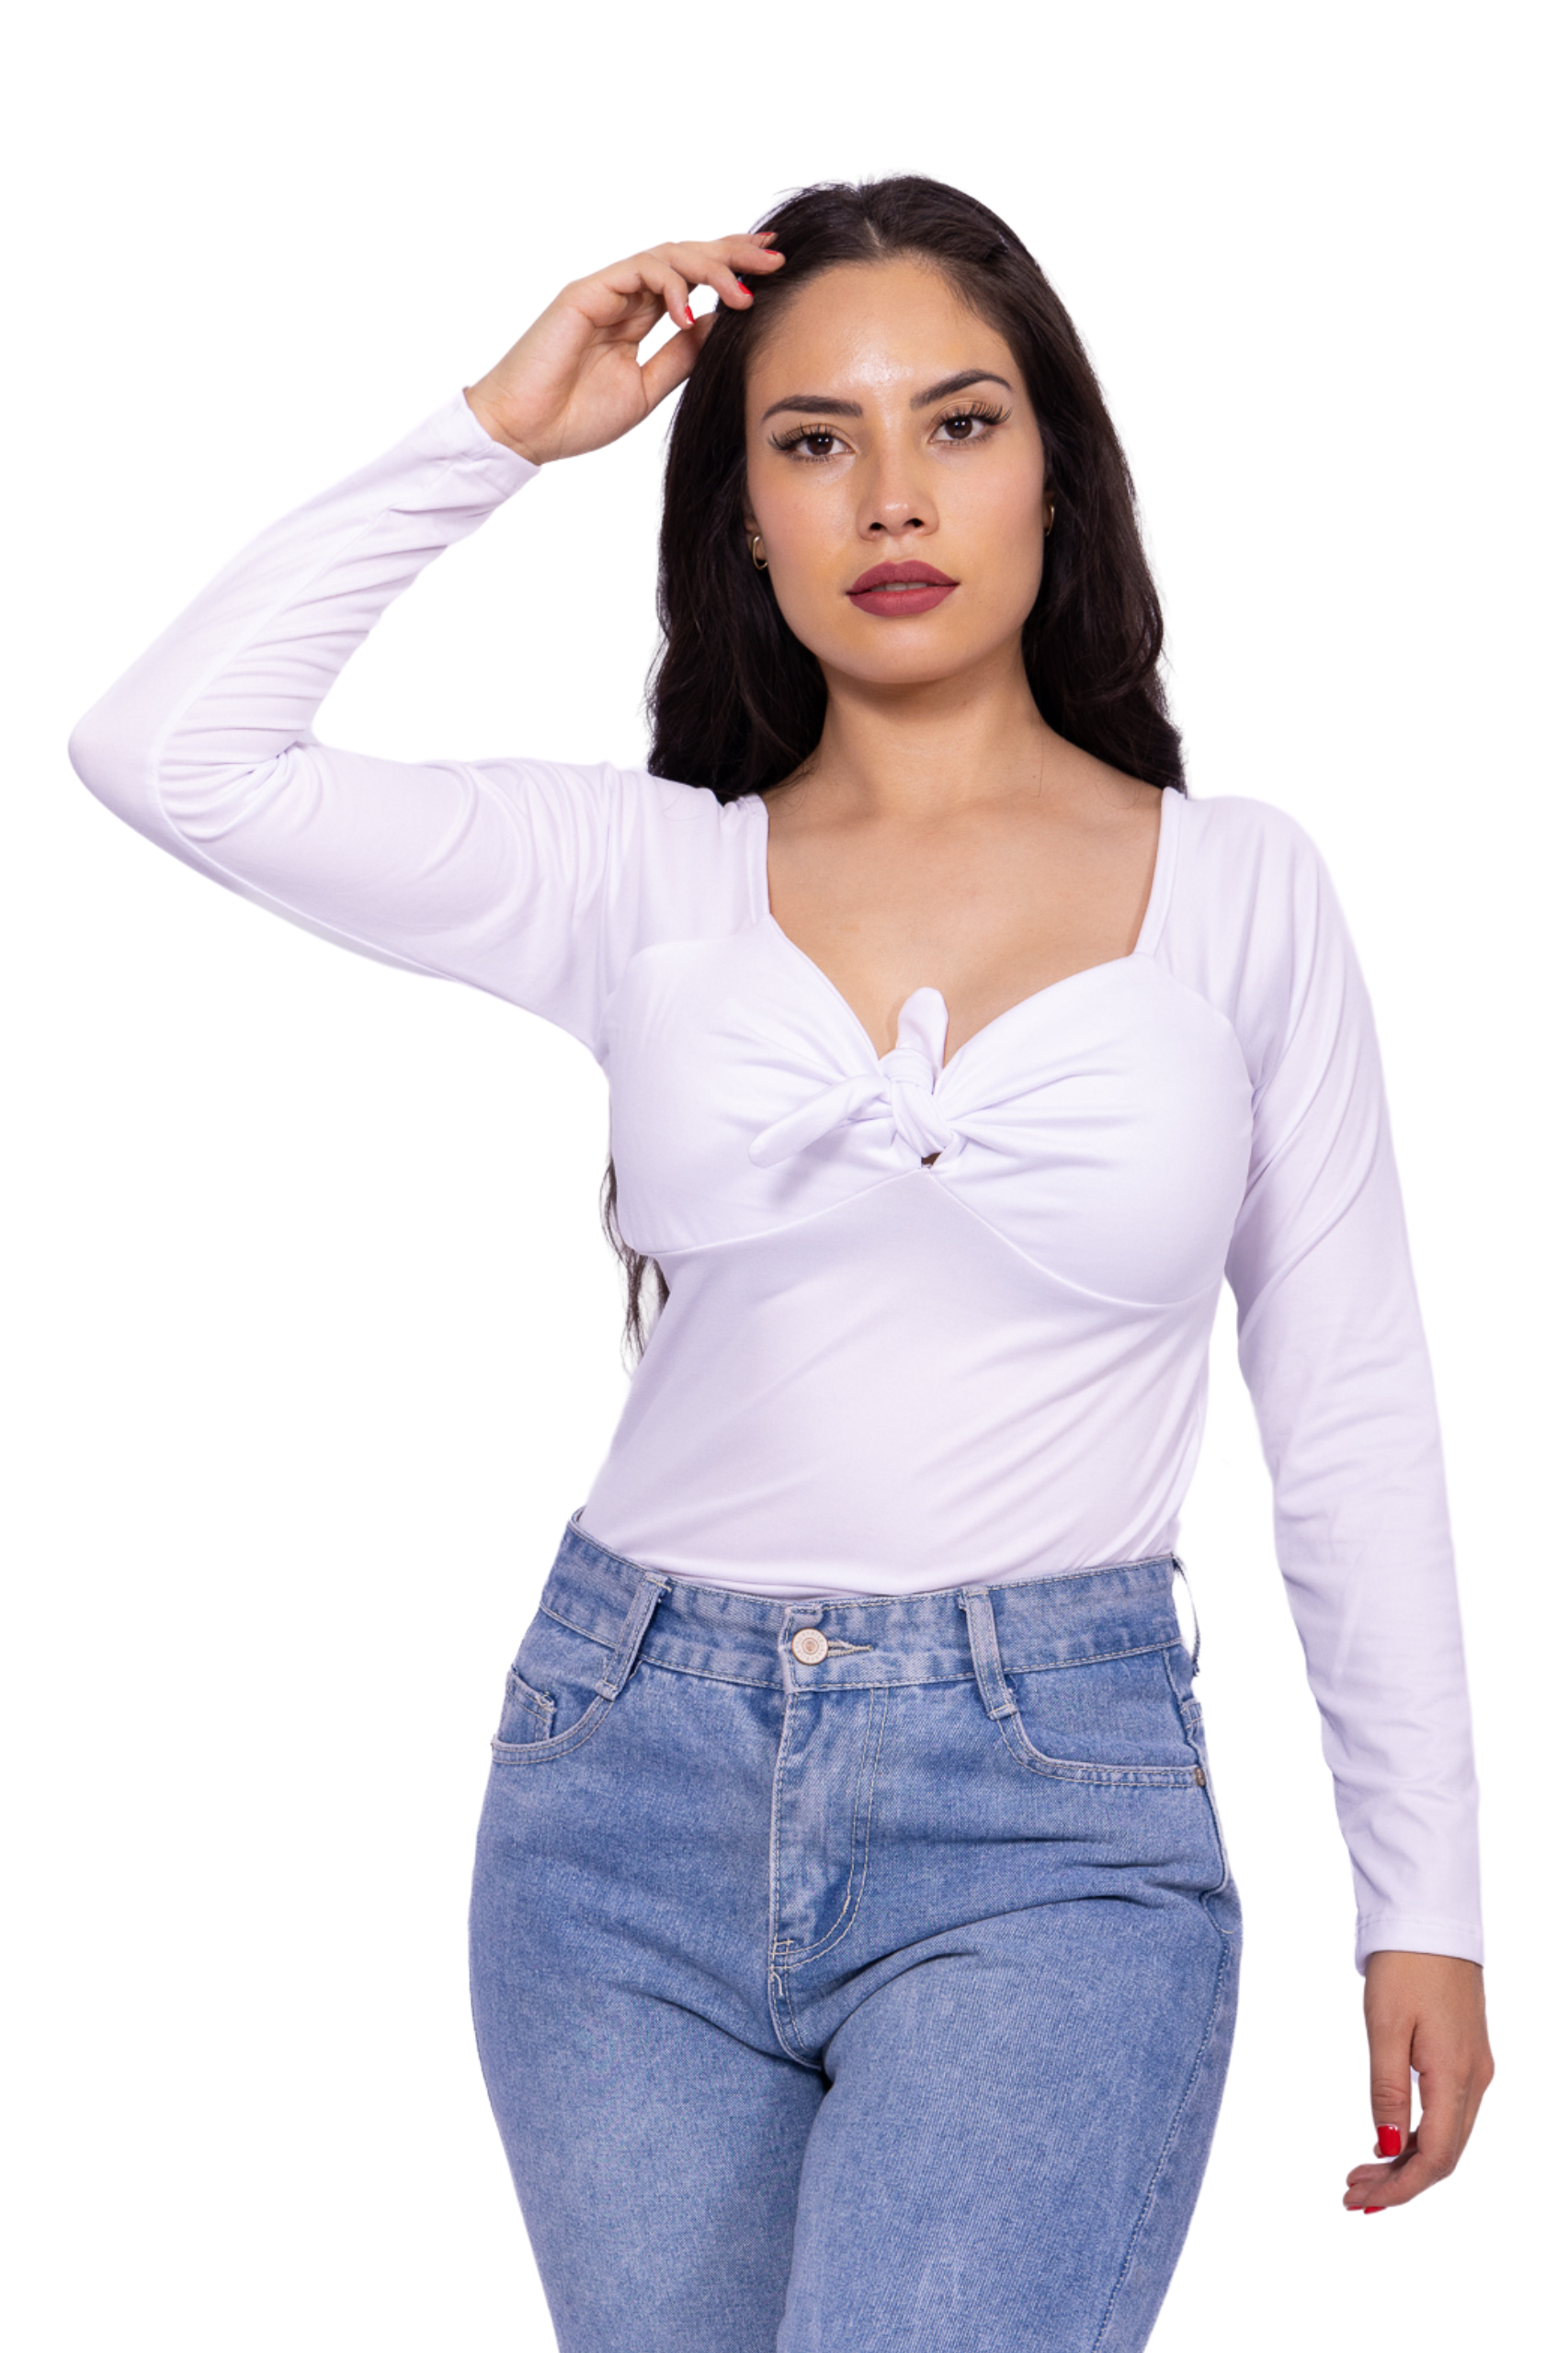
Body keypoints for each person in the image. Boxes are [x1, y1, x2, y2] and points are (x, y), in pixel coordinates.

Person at [68, 176, 1492, 2351]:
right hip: (621, 1798)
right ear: (739, 512)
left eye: (959, 422)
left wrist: (1425, 1897)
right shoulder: (638, 876)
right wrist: (496, 431)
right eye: (812, 438)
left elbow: (1352, 1410)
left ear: (1056, 474)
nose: (889, 495)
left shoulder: (1239, 893)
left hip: (1048, 1822)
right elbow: (166, 751)